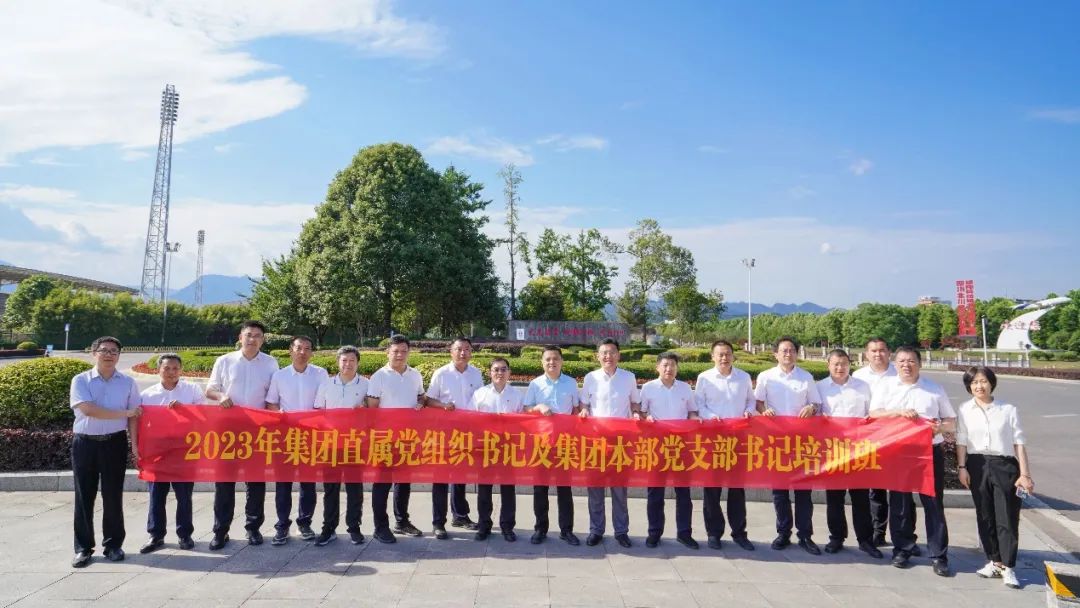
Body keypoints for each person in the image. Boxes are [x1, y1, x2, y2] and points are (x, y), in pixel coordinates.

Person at [869, 346, 955, 576]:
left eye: (911, 361)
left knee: (933, 503)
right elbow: (874, 413)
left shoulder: (934, 389)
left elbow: (951, 421)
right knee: (900, 503)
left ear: (920, 363)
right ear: (895, 364)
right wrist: (898, 412)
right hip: (898, 452)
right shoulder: (886, 386)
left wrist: (939, 428)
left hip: (929, 452)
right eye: (902, 361)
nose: (906, 365)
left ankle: (938, 555)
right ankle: (902, 549)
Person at [205, 320, 280, 550]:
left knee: (256, 481)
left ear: (263, 340)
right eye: (249, 335)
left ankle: (253, 528)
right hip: (228, 430)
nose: (252, 339)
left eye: (258, 336)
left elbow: (274, 396)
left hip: (257, 430)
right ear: (240, 337)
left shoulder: (270, 363)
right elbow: (210, 389)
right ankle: (221, 531)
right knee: (224, 482)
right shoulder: (225, 361)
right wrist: (221, 397)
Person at [69, 336, 142, 567]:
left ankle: (113, 545)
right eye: (104, 350)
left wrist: (135, 445)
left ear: (119, 355)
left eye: (114, 351)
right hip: (85, 444)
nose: (109, 355)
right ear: (94, 353)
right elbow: (88, 410)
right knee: (84, 496)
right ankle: (83, 548)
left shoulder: (128, 382)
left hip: (114, 443)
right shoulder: (81, 380)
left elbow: (135, 416)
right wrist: (125, 413)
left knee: (113, 495)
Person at [956, 366, 1032, 589]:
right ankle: (995, 561)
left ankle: (1009, 567)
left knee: (1006, 517)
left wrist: (1025, 474)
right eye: (974, 382)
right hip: (976, 464)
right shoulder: (964, 410)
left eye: (983, 381)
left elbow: (1019, 442)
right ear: (969, 387)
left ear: (991, 383)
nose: (979, 386)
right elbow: (961, 440)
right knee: (985, 515)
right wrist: (962, 467)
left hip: (1004, 465)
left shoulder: (1007, 409)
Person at [755, 336, 822, 555]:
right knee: (780, 491)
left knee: (803, 491)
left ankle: (805, 535)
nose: (788, 354)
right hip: (777, 441)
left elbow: (817, 403)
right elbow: (758, 402)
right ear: (775, 354)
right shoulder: (766, 376)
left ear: (797, 353)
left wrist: (811, 408)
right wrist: (764, 410)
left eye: (792, 350)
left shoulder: (806, 377)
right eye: (783, 350)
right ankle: (783, 532)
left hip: (802, 441)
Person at [816, 349, 881, 559]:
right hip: (832, 450)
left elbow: (872, 415)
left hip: (858, 450)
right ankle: (836, 537)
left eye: (843, 363)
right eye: (835, 364)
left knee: (861, 497)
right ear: (828, 365)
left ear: (849, 364)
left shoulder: (862, 387)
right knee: (834, 497)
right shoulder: (820, 388)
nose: (840, 368)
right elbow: (814, 415)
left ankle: (865, 540)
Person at [138, 353, 204, 554]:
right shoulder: (147, 395)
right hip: (157, 452)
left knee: (184, 496)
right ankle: (156, 535)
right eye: (167, 368)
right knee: (156, 495)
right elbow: (141, 424)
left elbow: (203, 417)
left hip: (184, 450)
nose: (171, 372)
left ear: (181, 370)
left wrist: (185, 410)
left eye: (175, 368)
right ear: (158, 370)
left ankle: (185, 534)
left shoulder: (192, 390)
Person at [266, 336, 329, 545]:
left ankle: (304, 523)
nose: (302, 352)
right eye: (298, 348)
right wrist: (280, 414)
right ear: (290, 350)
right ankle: (282, 525)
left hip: (311, 436)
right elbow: (271, 403)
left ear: (312, 352)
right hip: (285, 436)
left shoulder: (320, 374)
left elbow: (324, 403)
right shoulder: (279, 375)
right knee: (283, 483)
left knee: (308, 483)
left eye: (307, 348)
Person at [695, 339, 756, 551]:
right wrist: (711, 416)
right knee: (712, 488)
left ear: (733, 356)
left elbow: (751, 400)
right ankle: (714, 533)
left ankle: (739, 533)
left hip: (738, 439)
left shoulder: (743, 377)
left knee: (737, 488)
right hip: (713, 439)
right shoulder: (704, 378)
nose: (724, 358)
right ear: (712, 356)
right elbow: (699, 404)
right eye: (720, 354)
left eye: (728, 354)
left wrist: (748, 411)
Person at [579, 338, 640, 548]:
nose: (608, 356)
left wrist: (635, 413)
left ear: (618, 355)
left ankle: (621, 532)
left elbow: (635, 402)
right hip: (595, 441)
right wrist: (584, 411)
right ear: (598, 356)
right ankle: (596, 530)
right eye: (604, 353)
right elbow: (584, 404)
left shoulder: (628, 377)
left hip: (621, 442)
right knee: (595, 488)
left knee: (619, 490)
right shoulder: (591, 378)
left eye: (612, 352)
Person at [366, 335, 426, 543]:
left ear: (409, 352)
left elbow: (421, 396)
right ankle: (380, 527)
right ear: (388, 353)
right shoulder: (379, 376)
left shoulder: (415, 375)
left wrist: (421, 404)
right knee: (382, 483)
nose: (400, 355)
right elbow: (372, 409)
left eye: (403, 351)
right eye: (395, 351)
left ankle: (402, 521)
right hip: (384, 438)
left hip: (407, 438)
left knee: (404, 481)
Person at [639, 352, 700, 549]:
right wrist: (646, 417)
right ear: (657, 367)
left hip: (681, 445)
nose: (669, 369)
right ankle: (654, 533)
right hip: (656, 445)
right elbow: (641, 412)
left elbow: (692, 411)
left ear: (677, 368)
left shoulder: (685, 388)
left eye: (673, 365)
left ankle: (684, 533)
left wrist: (695, 419)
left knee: (683, 492)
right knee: (655, 491)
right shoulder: (648, 388)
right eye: (665, 365)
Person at [424, 337, 482, 538]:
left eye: (467, 349)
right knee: (440, 477)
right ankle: (438, 522)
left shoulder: (476, 373)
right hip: (444, 432)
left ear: (471, 352)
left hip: (467, 432)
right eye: (459, 349)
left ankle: (460, 516)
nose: (463, 353)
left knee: (460, 476)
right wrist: (443, 406)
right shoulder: (441, 373)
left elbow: (480, 399)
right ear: (451, 351)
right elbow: (428, 400)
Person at [522, 345, 580, 546]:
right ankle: (540, 529)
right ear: (542, 362)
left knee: (565, 489)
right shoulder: (535, 384)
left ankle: (567, 530)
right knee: (540, 489)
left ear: (562, 361)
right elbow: (526, 408)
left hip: (564, 443)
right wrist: (538, 407)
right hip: (541, 443)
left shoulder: (571, 383)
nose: (551, 362)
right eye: (547, 359)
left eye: (555, 358)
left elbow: (576, 410)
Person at [313, 346, 369, 546]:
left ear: (358, 363)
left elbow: (374, 410)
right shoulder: (326, 384)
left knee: (354, 487)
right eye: (344, 360)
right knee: (330, 488)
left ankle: (354, 527)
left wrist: (365, 408)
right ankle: (328, 528)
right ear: (338, 362)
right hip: (331, 444)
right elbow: (318, 412)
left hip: (355, 444)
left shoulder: (366, 384)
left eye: (352, 360)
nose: (348, 364)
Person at [468, 357, 523, 542]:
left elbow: (523, 421)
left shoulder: (517, 395)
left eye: (503, 369)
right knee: (484, 488)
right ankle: (484, 525)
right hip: (485, 447)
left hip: (508, 447)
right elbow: (470, 418)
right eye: (496, 369)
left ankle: (507, 527)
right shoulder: (480, 394)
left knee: (508, 489)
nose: (500, 373)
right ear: (490, 373)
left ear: (509, 372)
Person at [852, 337, 898, 548]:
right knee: (874, 489)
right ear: (866, 354)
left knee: (899, 490)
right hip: (867, 438)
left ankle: (904, 537)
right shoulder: (858, 376)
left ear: (889, 352)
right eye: (873, 351)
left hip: (894, 437)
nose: (878, 354)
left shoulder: (899, 373)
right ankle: (876, 533)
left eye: (882, 350)